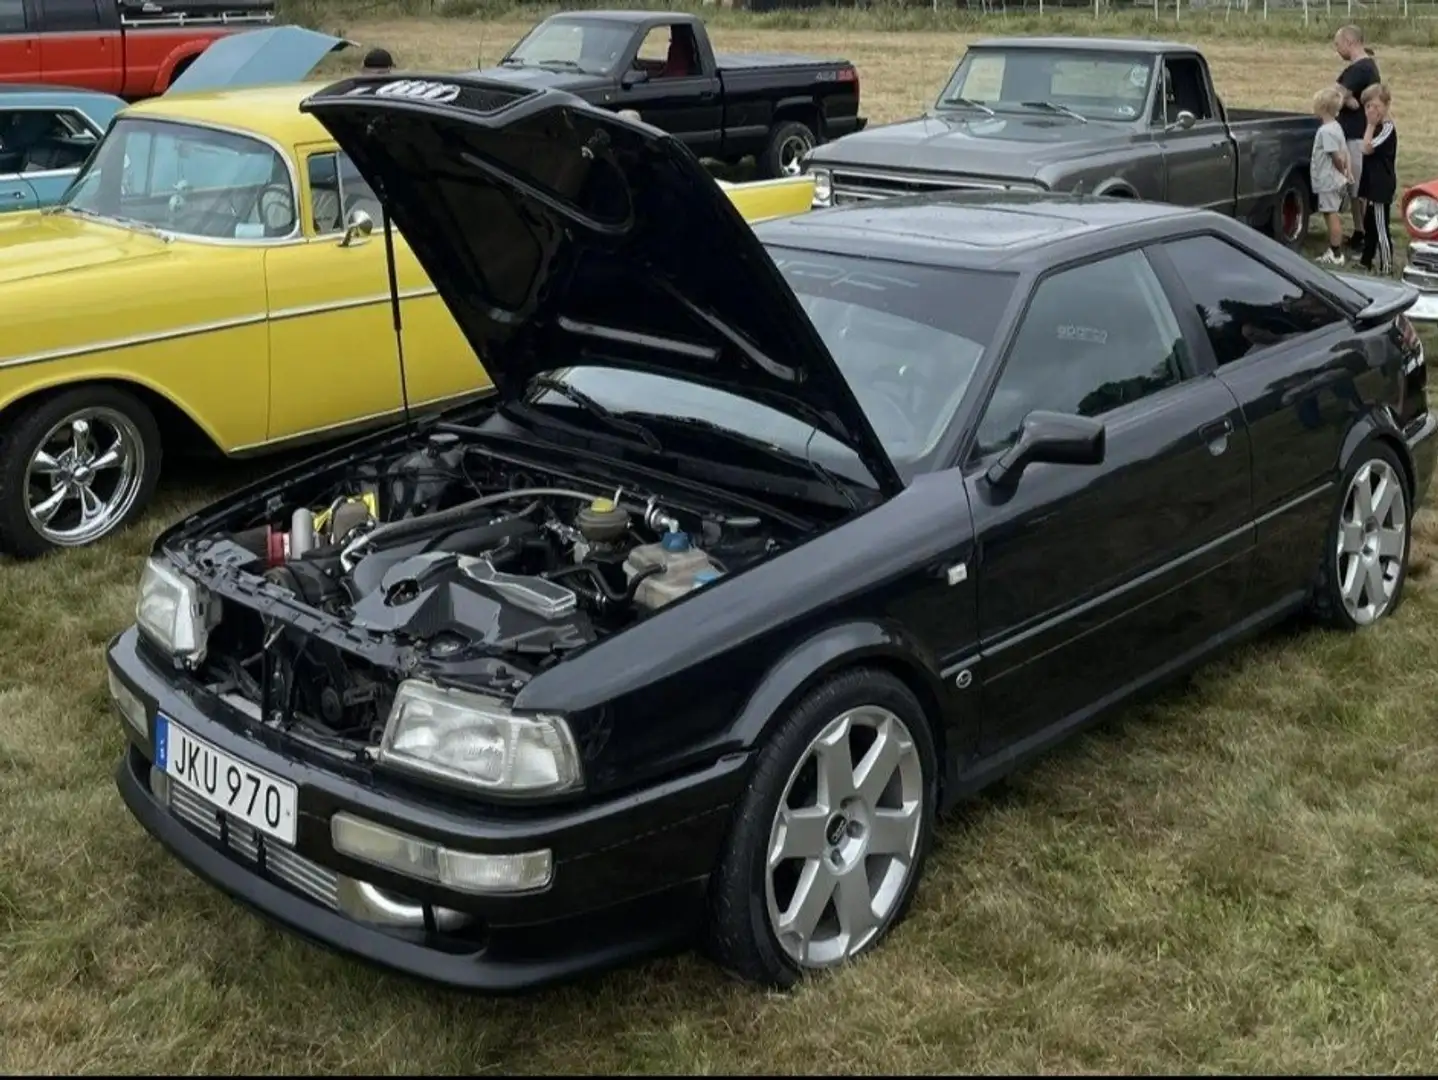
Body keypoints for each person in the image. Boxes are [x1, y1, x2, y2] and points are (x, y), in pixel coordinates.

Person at [1332, 25, 1379, 251]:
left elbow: (1334, 95)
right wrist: (1347, 99)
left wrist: (1346, 99)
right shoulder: (1360, 68)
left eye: (1338, 45)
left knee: (1358, 189)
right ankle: (1360, 231)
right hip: (1353, 134)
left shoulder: (1361, 69)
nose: (1337, 50)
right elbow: (1340, 95)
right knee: (1355, 189)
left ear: (1350, 42)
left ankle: (1365, 233)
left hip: (1357, 136)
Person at [1357, 82, 1397, 275]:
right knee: (1369, 224)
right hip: (1371, 183)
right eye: (1368, 107)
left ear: (1386, 106)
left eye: (1376, 106)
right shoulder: (1374, 127)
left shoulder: (1387, 128)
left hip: (1382, 184)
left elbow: (1366, 148)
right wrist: (1370, 125)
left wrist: (1371, 125)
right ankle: (1366, 260)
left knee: (1381, 226)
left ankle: (1387, 265)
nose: (1372, 111)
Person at [1311, 85, 1354, 267]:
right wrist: (1348, 173)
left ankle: (1335, 253)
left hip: (1328, 180)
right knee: (1332, 213)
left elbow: (1336, 156)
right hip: (1336, 180)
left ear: (1322, 108)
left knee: (1331, 215)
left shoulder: (1326, 131)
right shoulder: (1337, 127)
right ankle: (1335, 249)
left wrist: (1342, 170)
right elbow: (1346, 152)